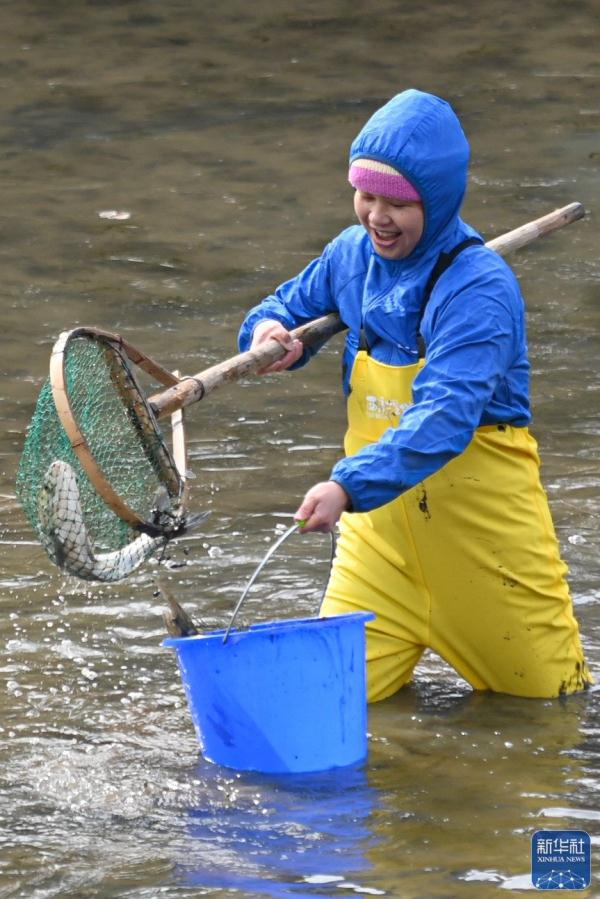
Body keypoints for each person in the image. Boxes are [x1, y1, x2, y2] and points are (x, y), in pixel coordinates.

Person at [238, 88, 592, 702]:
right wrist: (269, 331)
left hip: (490, 555)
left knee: (548, 725)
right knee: (327, 706)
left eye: (397, 202)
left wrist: (346, 485)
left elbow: (443, 419)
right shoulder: (350, 258)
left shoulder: (479, 290)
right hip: (378, 549)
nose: (376, 215)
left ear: (439, 197)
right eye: (366, 195)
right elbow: (283, 305)